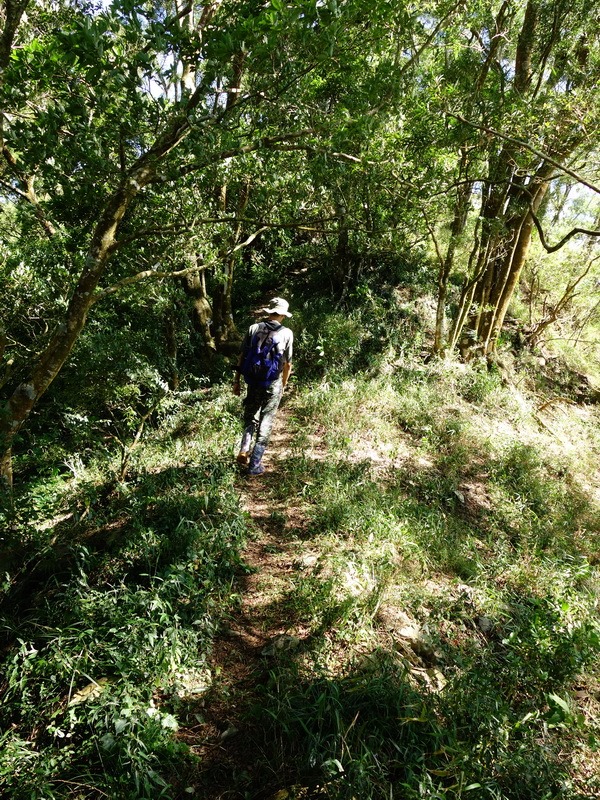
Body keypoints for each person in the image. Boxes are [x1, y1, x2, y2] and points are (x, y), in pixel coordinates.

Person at [232, 297, 293, 475]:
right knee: (266, 422)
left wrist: (237, 381)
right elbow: (287, 364)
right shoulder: (287, 333)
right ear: (282, 314)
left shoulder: (254, 328)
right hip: (272, 383)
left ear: (269, 311)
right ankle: (255, 464)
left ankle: (244, 448)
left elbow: (242, 357)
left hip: (252, 381)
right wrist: (283, 384)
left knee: (250, 416)